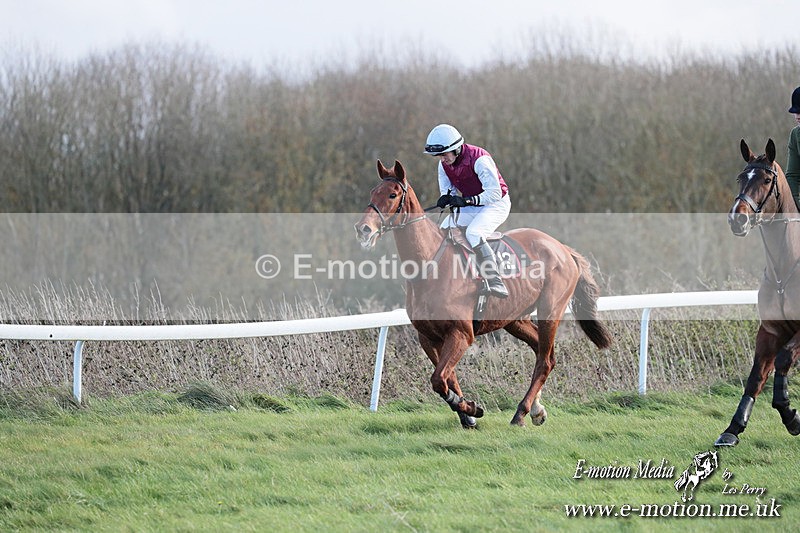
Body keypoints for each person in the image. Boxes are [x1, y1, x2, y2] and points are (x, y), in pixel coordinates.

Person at [424, 124, 511, 298]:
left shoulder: (479, 159)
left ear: (456, 149)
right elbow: (448, 191)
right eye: (439, 155)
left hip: (496, 204)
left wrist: (466, 200)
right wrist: (446, 198)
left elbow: (495, 192)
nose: (442, 159)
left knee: (474, 233)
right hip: (472, 205)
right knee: (443, 230)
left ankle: (495, 281)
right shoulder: (443, 165)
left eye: (444, 154)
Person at [787, 86, 800, 209]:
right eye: (796, 112)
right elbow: (792, 176)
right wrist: (796, 205)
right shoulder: (795, 135)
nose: (797, 116)